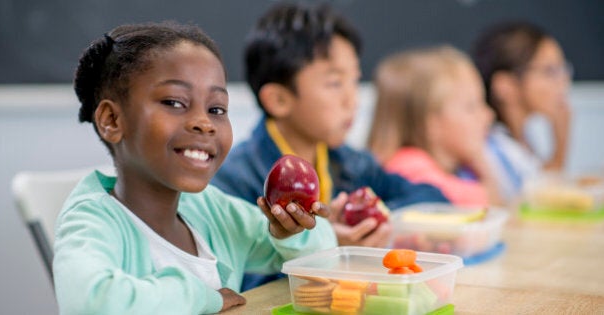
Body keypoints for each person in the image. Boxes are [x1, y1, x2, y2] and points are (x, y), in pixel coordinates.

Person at [53, 21, 337, 314]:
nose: (204, 122)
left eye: (216, 109)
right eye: (174, 102)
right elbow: (93, 303)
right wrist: (202, 296)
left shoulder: (212, 211)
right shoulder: (91, 222)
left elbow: (324, 259)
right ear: (112, 120)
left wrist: (292, 232)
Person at [211, 2, 448, 290]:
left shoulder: (348, 161)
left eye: (355, 81)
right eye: (335, 83)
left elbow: (430, 196)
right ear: (279, 100)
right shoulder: (234, 180)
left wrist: (365, 215)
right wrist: (326, 248)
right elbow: (241, 284)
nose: (353, 100)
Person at [367, 46, 500, 206]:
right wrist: (482, 165)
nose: (488, 115)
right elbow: (482, 203)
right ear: (430, 124)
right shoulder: (408, 165)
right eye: (471, 107)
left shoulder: (456, 168)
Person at [472, 21, 572, 203]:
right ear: (505, 85)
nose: (562, 82)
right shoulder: (492, 148)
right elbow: (536, 205)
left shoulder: (521, 138)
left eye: (562, 69)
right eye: (550, 71)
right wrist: (561, 145)